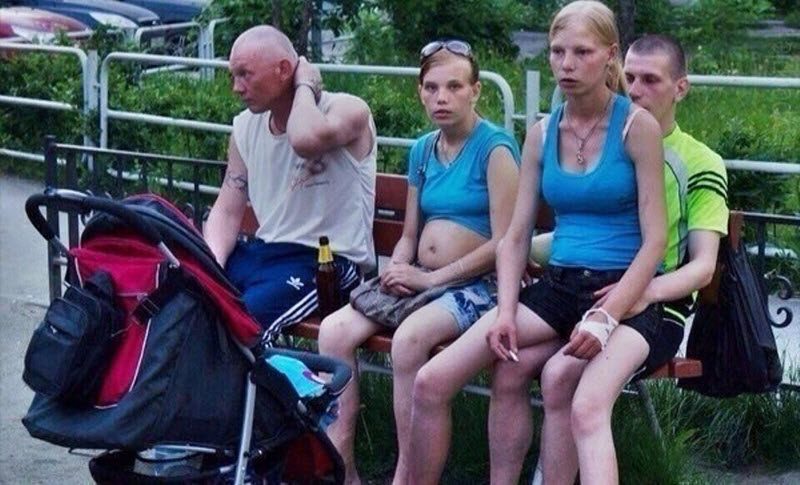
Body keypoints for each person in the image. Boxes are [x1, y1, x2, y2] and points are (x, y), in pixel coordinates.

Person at [406, 2, 667, 483]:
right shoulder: (543, 133)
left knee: (582, 402)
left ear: (611, 55)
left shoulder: (637, 127)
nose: (567, 64)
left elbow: (656, 241)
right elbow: (515, 237)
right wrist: (506, 311)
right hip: (558, 287)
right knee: (431, 380)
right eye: (557, 52)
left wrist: (608, 316)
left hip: (620, 294)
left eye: (582, 52)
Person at [486, 33, 730, 484]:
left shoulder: (698, 161)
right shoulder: (606, 138)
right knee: (539, 371)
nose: (635, 89)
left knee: (577, 392)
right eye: (629, 78)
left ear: (680, 88)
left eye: (651, 80)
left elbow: (702, 266)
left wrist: (642, 293)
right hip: (587, 296)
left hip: (657, 307)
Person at [317, 40, 521, 484]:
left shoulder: (496, 148)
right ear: (420, 92)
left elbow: (506, 242)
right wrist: (397, 268)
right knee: (333, 332)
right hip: (423, 280)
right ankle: (342, 466)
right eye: (431, 88)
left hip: (479, 285)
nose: (441, 97)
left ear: (475, 91)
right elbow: (410, 233)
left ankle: (407, 476)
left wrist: (431, 279)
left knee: (409, 340)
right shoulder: (424, 149)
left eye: (454, 87)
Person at [204, 25, 377, 343]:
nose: (236, 88)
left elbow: (304, 140)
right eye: (233, 76)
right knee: (191, 298)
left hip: (327, 262)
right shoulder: (244, 127)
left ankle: (258, 378)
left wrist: (305, 85)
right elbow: (227, 211)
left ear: (284, 69)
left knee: (243, 327)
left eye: (245, 74)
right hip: (265, 254)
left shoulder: (348, 109)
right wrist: (211, 264)